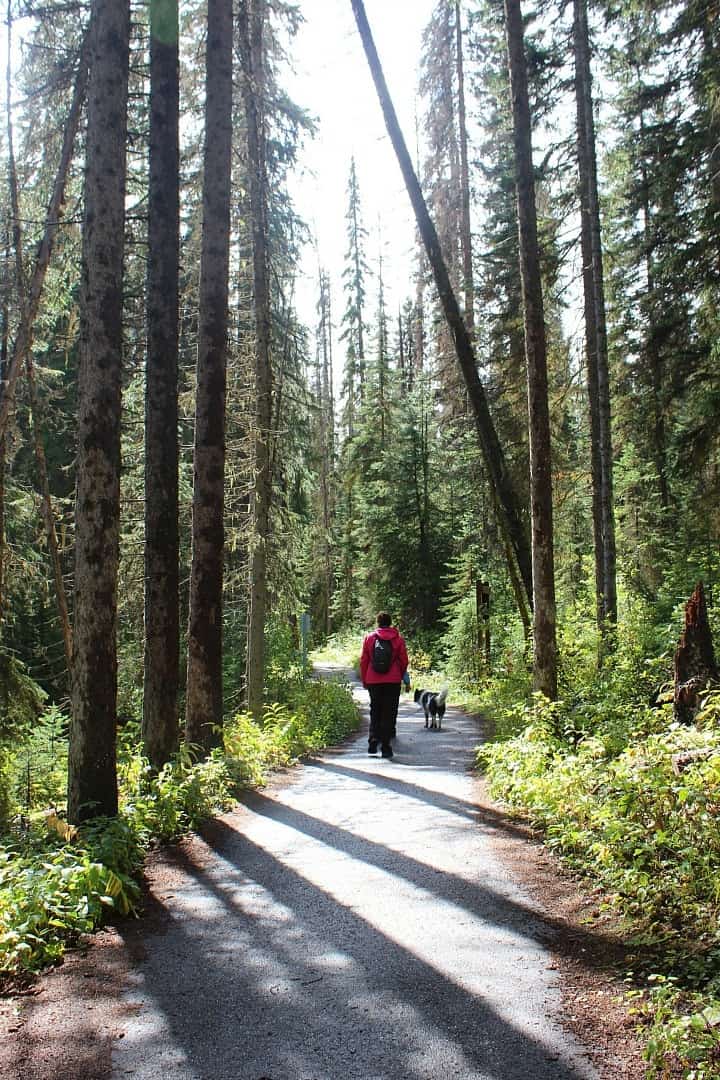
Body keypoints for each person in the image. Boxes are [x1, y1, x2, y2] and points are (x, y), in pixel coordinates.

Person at [359, 612, 409, 759]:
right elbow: (404, 660)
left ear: (378, 623)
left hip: (373, 679)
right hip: (392, 680)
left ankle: (373, 742)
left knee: (375, 710)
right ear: (390, 622)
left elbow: (364, 661)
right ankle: (386, 747)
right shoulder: (398, 639)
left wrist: (365, 679)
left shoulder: (369, 638)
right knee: (389, 712)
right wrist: (398, 674)